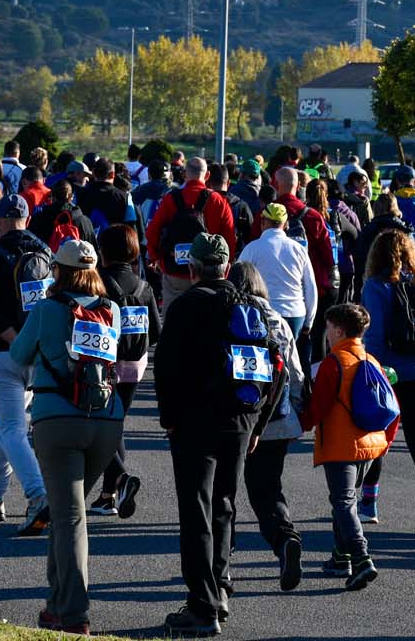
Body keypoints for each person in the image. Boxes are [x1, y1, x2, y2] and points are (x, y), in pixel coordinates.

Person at [154, 233, 282, 636]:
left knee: (196, 509)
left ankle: (202, 604)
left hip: (195, 421)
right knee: (225, 504)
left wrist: (169, 418)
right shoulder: (249, 304)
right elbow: (275, 366)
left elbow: (166, 368)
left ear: (193, 268)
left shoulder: (186, 305)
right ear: (226, 267)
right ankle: (222, 586)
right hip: (241, 419)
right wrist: (258, 423)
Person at [8, 239, 123, 636]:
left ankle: (74, 614)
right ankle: (56, 604)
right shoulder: (113, 310)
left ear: (57, 270)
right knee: (64, 513)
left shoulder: (46, 309)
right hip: (107, 422)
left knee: (69, 516)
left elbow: (18, 356)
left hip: (57, 418)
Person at [0, 193, 53, 535]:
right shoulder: (45, 251)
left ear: (1, 221)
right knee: (8, 426)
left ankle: (38, 495)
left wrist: (15, 342)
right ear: (27, 219)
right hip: (38, 351)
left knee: (12, 428)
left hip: (3, 352)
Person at [358, 229, 415, 536]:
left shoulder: (375, 286)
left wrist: (372, 368)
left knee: (379, 435)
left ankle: (369, 502)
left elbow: (376, 336)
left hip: (389, 372)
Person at [305, 302, 395, 591]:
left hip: (341, 445)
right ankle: (340, 556)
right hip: (369, 444)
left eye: (329, 327)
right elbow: (392, 406)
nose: (327, 333)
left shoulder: (334, 362)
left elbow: (317, 406)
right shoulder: (371, 360)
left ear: (340, 330)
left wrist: (300, 424)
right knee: (346, 501)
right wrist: (386, 440)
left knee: (343, 503)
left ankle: (361, 557)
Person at [230, 259, 306, 592]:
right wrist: (296, 411)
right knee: (267, 489)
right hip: (277, 420)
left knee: (224, 491)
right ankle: (284, 538)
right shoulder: (278, 321)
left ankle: (222, 562)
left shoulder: (231, 318)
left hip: (238, 419)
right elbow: (296, 374)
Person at [89, 224, 161, 519]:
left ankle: (120, 478)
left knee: (97, 428)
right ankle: (108, 496)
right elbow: (156, 331)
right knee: (116, 424)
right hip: (135, 366)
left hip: (104, 364)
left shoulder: (98, 283)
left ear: (102, 251)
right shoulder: (143, 286)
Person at [146, 156, 236, 311]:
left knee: (172, 320)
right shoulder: (219, 201)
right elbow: (229, 238)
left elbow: (153, 230)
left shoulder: (170, 198)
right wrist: (225, 266)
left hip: (175, 271)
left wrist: (158, 259)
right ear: (207, 176)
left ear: (184, 174)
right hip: (210, 273)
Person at [237, 202, 318, 360]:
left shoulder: (252, 248)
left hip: (263, 313)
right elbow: (310, 288)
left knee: (268, 362)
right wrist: (309, 322)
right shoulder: (299, 249)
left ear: (263, 222)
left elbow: (238, 279)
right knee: (290, 361)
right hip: (295, 315)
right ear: (286, 224)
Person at [270, 165, 336, 311]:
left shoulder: (265, 216)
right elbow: (328, 256)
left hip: (275, 291)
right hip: (312, 286)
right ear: (299, 185)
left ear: (274, 185)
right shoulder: (313, 216)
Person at [351, 193, 415, 298]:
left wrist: (358, 292)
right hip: (401, 286)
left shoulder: (368, 231)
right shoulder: (405, 230)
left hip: (373, 284)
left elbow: (359, 261)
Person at [78, 157, 138, 239]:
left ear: (93, 173)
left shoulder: (81, 194)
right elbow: (132, 227)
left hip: (87, 247)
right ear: (112, 174)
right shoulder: (125, 197)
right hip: (116, 247)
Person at [31, 179, 96, 251]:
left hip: (49, 260)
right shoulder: (84, 221)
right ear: (71, 196)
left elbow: (32, 246)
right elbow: (93, 250)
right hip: (77, 261)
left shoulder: (40, 218)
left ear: (52, 196)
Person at [211, 162, 254, 254]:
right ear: (229, 183)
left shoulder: (201, 203)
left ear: (207, 182)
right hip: (232, 257)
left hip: (205, 258)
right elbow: (250, 235)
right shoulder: (241, 205)